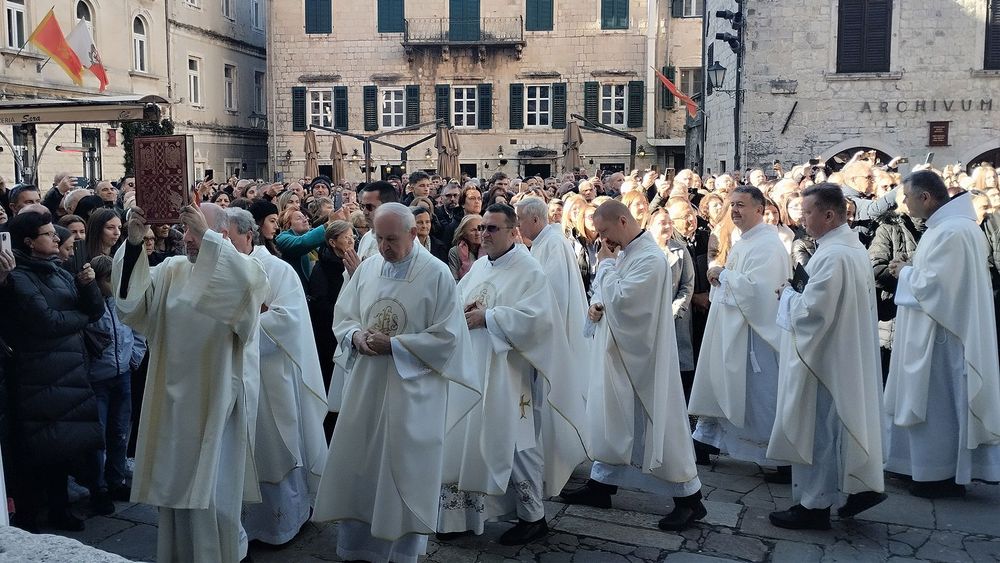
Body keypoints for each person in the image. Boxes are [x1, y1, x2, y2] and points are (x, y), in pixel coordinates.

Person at [312, 203, 481, 563]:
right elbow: (345, 316)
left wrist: (396, 345)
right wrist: (356, 337)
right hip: (366, 387)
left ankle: (402, 553)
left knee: (403, 471)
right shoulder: (369, 268)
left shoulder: (436, 274)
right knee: (361, 467)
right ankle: (359, 548)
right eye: (379, 238)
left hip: (414, 393)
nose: (384, 246)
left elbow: (449, 338)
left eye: (391, 239)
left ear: (413, 233)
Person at [113, 203, 268, 562]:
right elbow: (131, 308)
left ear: (222, 235)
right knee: (174, 493)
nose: (188, 239)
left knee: (212, 496)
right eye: (186, 231)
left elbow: (243, 293)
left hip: (216, 401)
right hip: (172, 399)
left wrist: (210, 238)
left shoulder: (250, 269)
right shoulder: (170, 270)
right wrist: (134, 244)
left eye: (196, 231)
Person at [438, 204, 587, 545]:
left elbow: (539, 320)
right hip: (475, 369)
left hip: (510, 377)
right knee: (467, 440)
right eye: (482, 229)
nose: (484, 234)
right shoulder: (478, 268)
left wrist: (489, 317)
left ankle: (533, 516)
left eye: (492, 229)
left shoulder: (529, 270)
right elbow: (460, 303)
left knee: (517, 444)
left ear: (512, 231)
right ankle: (462, 515)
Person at [561, 201, 705, 532]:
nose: (601, 238)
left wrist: (606, 267)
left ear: (623, 221)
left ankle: (690, 499)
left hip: (645, 360)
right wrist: (596, 307)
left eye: (605, 230)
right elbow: (607, 297)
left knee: (657, 423)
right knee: (616, 419)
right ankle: (601, 485)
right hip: (620, 354)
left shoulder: (650, 258)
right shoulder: (626, 254)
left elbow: (626, 302)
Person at [767, 183, 886, 530]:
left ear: (829, 214)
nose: (801, 218)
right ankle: (856, 485)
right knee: (838, 425)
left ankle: (814, 505)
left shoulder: (834, 255)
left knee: (818, 428)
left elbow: (812, 312)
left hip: (825, 359)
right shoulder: (851, 249)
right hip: (844, 353)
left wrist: (787, 294)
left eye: (807, 212)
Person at [883, 171, 1000, 497]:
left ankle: (940, 475)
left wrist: (904, 271)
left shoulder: (954, 231)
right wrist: (912, 268)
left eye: (907, 198)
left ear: (925, 198)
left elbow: (937, 288)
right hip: (933, 333)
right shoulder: (948, 228)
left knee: (939, 407)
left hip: (943, 340)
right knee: (932, 405)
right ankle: (922, 469)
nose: (904, 204)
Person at [223, 208, 328, 546]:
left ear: (248, 235)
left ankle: (283, 523)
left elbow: (288, 320)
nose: (221, 242)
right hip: (230, 376)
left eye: (226, 235)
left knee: (274, 446)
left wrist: (241, 321)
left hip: (271, 378)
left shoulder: (277, 269)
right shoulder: (216, 271)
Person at [2, 211, 104, 532]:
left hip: (70, 370)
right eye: (48, 234)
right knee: (38, 449)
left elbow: (95, 309)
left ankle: (60, 509)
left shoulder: (58, 270)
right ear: (30, 242)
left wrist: (88, 287)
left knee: (63, 445)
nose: (56, 237)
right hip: (38, 374)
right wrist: (81, 317)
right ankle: (30, 516)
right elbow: (47, 322)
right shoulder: (19, 277)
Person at [690, 186, 790, 470]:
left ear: (759, 209)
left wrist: (724, 274)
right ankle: (704, 440)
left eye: (741, 205)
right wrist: (720, 276)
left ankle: (775, 458)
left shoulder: (768, 245)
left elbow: (760, 293)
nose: (734, 210)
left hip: (755, 336)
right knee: (723, 385)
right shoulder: (745, 241)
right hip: (734, 328)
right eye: (732, 204)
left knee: (757, 394)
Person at [84, 255, 145, 514]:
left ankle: (116, 479)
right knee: (98, 435)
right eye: (109, 279)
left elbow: (139, 328)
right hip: (99, 378)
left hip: (123, 374)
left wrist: (134, 357)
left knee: (120, 432)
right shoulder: (90, 305)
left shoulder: (123, 302)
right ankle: (98, 487)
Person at [357, 182, 399, 260]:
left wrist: (360, 271)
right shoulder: (367, 237)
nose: (365, 212)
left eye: (370, 207)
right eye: (363, 206)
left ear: (388, 206)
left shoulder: (403, 240)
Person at [447, 213, 482, 281]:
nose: (478, 233)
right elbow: (454, 280)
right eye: (473, 230)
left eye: (480, 229)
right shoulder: (455, 252)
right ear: (464, 234)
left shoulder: (490, 250)